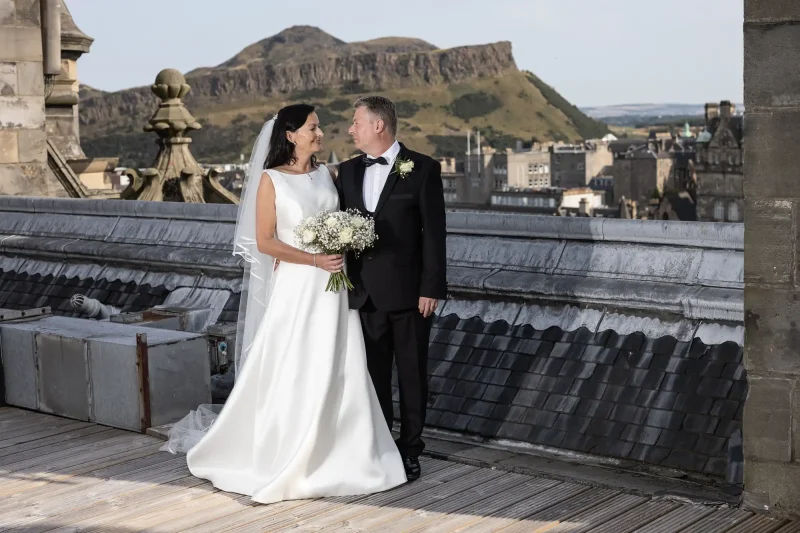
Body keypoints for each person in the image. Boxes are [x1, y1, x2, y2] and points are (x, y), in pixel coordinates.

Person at [164, 103, 406, 504]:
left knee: (338, 360)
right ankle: (288, 449)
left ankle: (348, 449)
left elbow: (346, 218)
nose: (321, 133)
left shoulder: (326, 175)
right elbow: (265, 242)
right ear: (291, 134)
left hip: (333, 286)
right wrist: (313, 258)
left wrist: (345, 243)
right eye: (313, 127)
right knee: (295, 362)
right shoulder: (270, 180)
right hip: (299, 284)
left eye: (320, 127)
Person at [336, 96, 447, 481]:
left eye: (356, 123)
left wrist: (430, 287)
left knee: (413, 375)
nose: (351, 129)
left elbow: (434, 235)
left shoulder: (424, 169)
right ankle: (382, 447)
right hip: (363, 295)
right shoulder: (346, 172)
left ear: (378, 126)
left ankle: (411, 449)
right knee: (374, 376)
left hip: (411, 296)